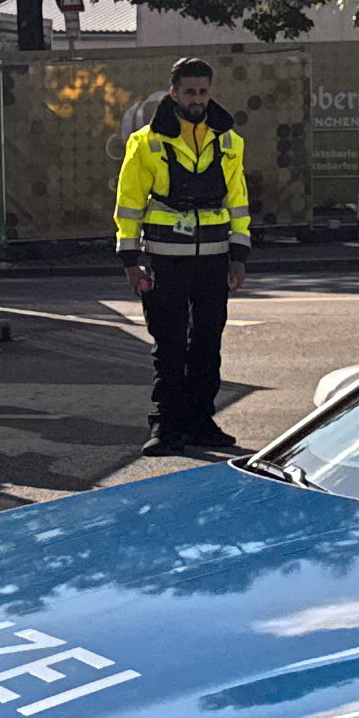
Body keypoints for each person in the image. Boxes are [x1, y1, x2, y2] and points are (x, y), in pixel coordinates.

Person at [114, 58, 250, 453]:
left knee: (208, 342)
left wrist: (238, 256)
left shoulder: (228, 140)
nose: (197, 99)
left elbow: (238, 200)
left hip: (213, 257)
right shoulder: (145, 141)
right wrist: (129, 259)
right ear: (173, 93)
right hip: (163, 257)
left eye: (203, 91)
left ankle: (201, 421)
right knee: (169, 343)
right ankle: (167, 426)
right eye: (189, 92)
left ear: (211, 91)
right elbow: (129, 202)